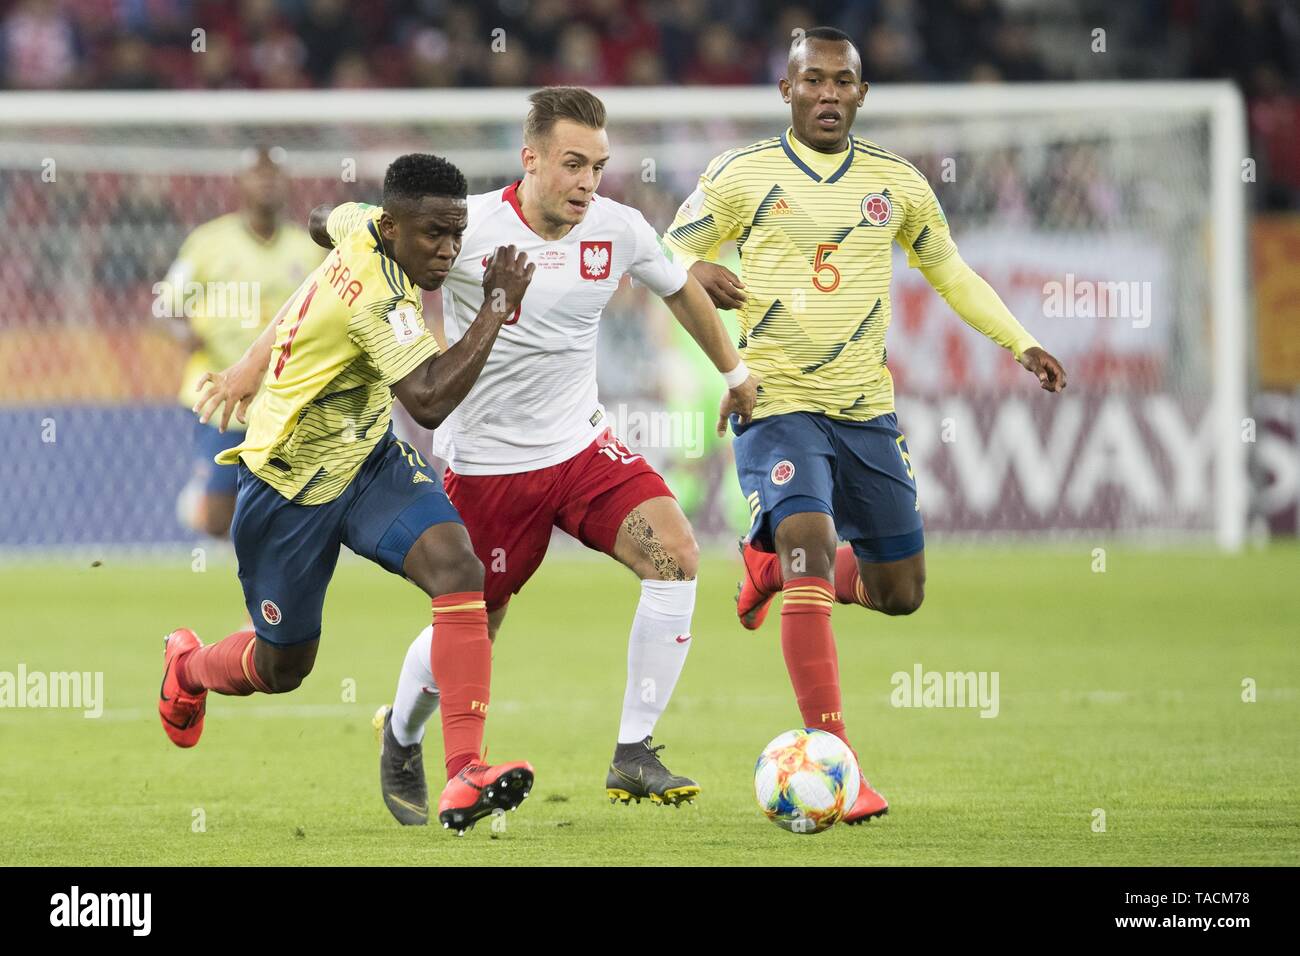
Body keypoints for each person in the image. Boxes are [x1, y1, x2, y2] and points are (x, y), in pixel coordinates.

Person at [311, 87, 759, 824]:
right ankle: (400, 731)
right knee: (474, 627)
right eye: (573, 164)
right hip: (487, 468)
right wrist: (334, 229)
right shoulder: (470, 229)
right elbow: (370, 231)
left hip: (582, 449)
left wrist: (736, 375)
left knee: (675, 555)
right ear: (531, 159)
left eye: (600, 166)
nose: (589, 182)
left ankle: (634, 751)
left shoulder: (616, 229)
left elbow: (680, 290)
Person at [664, 27, 1068, 823]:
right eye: (811, 81)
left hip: (865, 410)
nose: (827, 94)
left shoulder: (897, 183)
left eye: (842, 82)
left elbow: (947, 268)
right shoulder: (741, 176)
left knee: (901, 592)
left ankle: (770, 566)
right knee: (811, 544)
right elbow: (661, 251)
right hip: (775, 402)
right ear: (785, 91)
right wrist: (693, 270)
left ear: (861, 93)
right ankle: (839, 764)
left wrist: (1019, 340)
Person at [165, 153, 538, 836]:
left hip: (366, 461)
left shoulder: (361, 221)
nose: (447, 251)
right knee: (283, 668)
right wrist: (495, 307)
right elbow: (426, 402)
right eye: (433, 236)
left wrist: (255, 355)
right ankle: (187, 667)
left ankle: (463, 770)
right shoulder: (380, 299)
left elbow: (318, 224)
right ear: (394, 229)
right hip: (288, 487)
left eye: (455, 235)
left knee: (461, 570)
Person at [162, 146, 323, 537]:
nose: (267, 182)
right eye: (258, 174)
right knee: (218, 518)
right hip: (220, 389)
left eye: (274, 174)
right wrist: (186, 333)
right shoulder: (208, 242)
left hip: (287, 393)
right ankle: (203, 500)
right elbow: (166, 305)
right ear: (239, 183)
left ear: (287, 184)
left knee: (293, 506)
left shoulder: (309, 248)